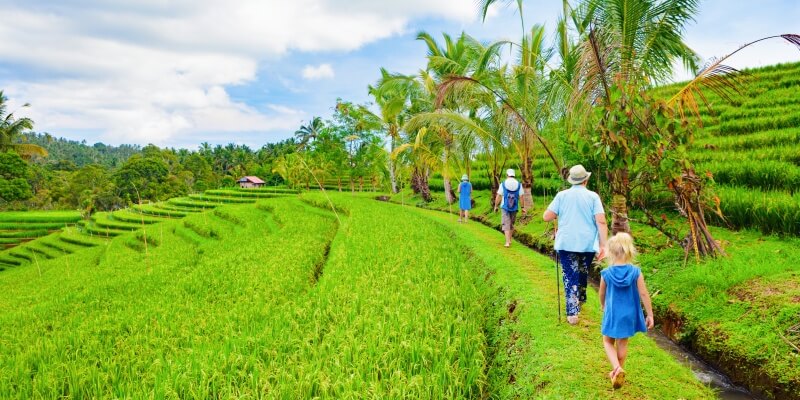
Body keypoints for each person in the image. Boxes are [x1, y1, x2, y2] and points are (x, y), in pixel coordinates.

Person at [543, 164, 608, 325]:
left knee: (570, 275)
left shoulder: (562, 196)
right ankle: (579, 299)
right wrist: (603, 245)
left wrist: (557, 214)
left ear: (572, 181)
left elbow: (546, 216)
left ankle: (573, 313)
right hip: (586, 244)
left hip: (566, 243)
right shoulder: (593, 197)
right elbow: (601, 221)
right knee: (582, 271)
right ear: (586, 180)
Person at [599, 232, 654, 389]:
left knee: (607, 340)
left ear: (610, 252)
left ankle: (616, 368)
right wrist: (649, 314)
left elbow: (601, 293)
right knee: (622, 343)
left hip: (613, 313)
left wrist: (603, 305)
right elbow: (643, 293)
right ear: (630, 251)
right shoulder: (635, 272)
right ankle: (617, 373)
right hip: (629, 314)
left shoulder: (606, 273)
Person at [493, 168, 525, 247]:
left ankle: (507, 242)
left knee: (506, 223)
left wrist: (496, 206)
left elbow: (499, 196)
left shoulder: (503, 184)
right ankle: (509, 240)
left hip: (505, 207)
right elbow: (521, 197)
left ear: (507, 175)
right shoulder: (518, 184)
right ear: (514, 175)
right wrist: (523, 207)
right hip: (514, 207)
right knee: (511, 224)